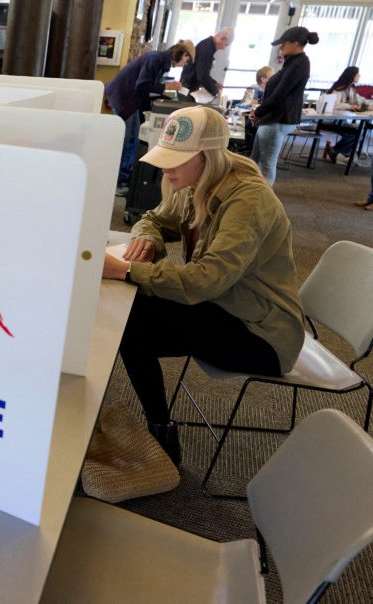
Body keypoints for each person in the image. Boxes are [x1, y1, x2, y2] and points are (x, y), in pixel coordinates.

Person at [102, 106, 305, 465]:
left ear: (207, 157)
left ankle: (160, 430)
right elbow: (152, 219)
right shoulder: (196, 181)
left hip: (263, 334)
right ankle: (160, 428)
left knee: (132, 320)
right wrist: (148, 239)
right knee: (130, 320)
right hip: (225, 307)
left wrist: (126, 271)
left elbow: (204, 281)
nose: (166, 168)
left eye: (176, 160)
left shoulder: (248, 199)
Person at [105, 40, 196, 197]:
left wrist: (164, 92)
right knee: (130, 141)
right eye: (187, 60)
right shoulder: (156, 59)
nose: (185, 63)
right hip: (123, 98)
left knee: (132, 138)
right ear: (183, 54)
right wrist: (165, 88)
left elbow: (150, 86)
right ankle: (119, 182)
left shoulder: (161, 61)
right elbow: (142, 86)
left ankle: (123, 178)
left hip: (127, 98)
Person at [249, 26, 319, 185]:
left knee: (266, 166)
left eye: (284, 43)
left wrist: (258, 112)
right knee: (254, 163)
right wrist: (260, 112)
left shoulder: (299, 64)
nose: (281, 47)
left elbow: (279, 94)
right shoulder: (294, 63)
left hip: (277, 120)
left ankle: (264, 204)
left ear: (295, 43)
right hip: (273, 119)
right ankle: (254, 199)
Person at [324, 66, 370, 165]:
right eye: (358, 74)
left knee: (358, 135)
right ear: (352, 75)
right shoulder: (339, 88)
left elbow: (361, 101)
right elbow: (335, 105)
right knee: (355, 135)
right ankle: (335, 151)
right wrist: (350, 106)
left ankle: (335, 151)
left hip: (341, 120)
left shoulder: (352, 89)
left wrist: (368, 106)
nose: (359, 75)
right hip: (332, 120)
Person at [180, 27, 234, 101]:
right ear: (223, 39)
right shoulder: (206, 49)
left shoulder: (207, 45)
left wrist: (214, 83)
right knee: (186, 110)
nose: (224, 48)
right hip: (187, 87)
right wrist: (215, 91)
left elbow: (202, 71)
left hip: (188, 85)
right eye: (226, 45)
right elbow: (202, 76)